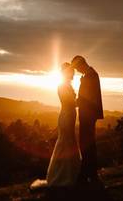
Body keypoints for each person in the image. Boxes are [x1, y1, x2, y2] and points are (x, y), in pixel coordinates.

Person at [31, 62, 81, 190]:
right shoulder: (62, 86)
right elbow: (70, 103)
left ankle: (70, 174)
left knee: (69, 143)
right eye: (71, 71)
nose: (73, 74)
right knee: (65, 144)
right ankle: (63, 176)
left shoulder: (67, 85)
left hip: (69, 116)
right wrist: (83, 100)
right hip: (66, 117)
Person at [71, 55, 103, 185]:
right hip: (87, 114)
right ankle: (89, 172)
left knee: (86, 143)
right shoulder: (89, 74)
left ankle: (88, 173)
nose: (77, 71)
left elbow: (87, 97)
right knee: (87, 143)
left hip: (88, 115)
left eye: (77, 67)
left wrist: (73, 103)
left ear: (81, 64)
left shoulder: (91, 75)